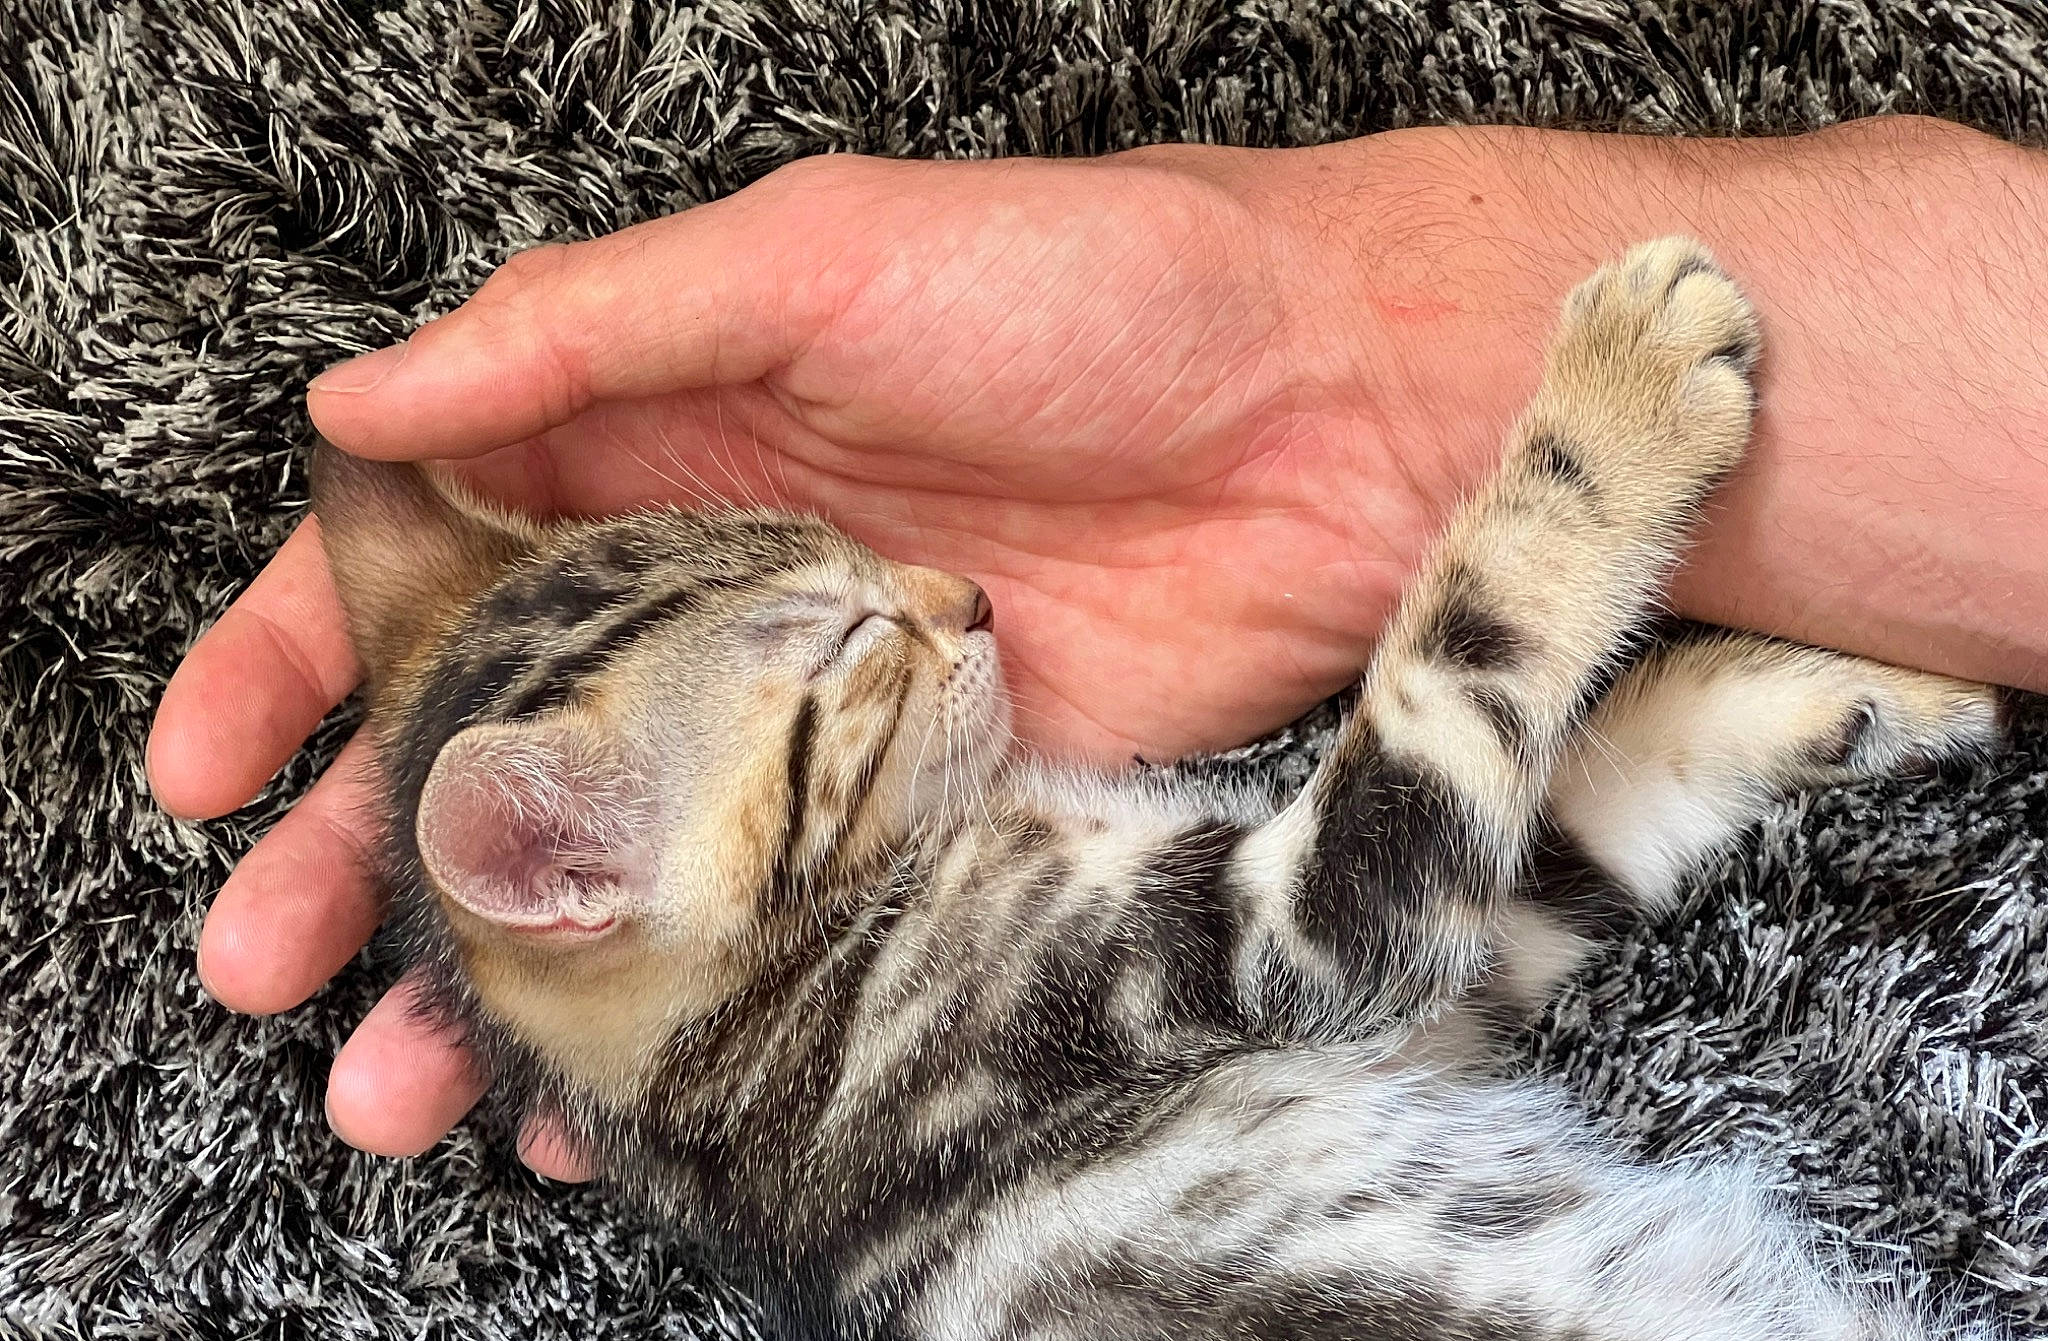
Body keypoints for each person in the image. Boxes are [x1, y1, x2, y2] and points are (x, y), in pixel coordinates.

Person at [146, 118, 2048, 1183]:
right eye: (843, 637)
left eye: (850, 575)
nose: (953, 602)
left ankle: (1669, 773)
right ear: (586, 868)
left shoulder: (881, 1098)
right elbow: (1348, 938)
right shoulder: (908, 1041)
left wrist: (1348, 378)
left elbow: (1365, 1018)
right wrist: (1566, 487)